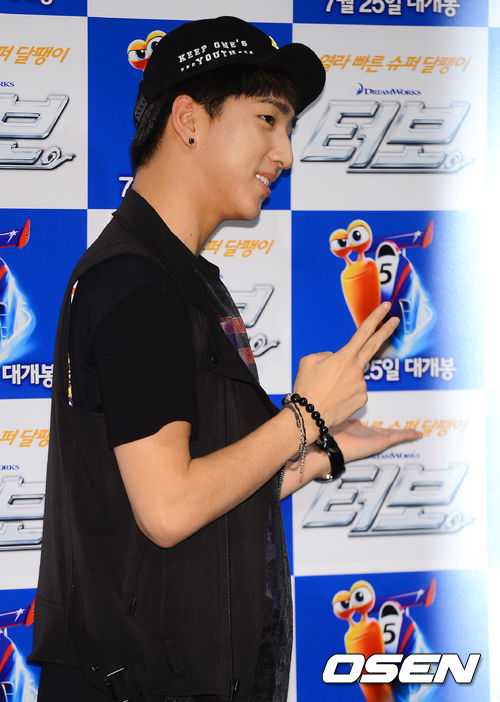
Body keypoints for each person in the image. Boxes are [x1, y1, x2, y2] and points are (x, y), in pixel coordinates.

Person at [29, 16, 421, 702]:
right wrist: (303, 418)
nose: (285, 153)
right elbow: (169, 508)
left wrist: (317, 454)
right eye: (268, 119)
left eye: (289, 127)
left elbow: (185, 492)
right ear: (189, 120)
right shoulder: (137, 284)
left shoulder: (179, 278)